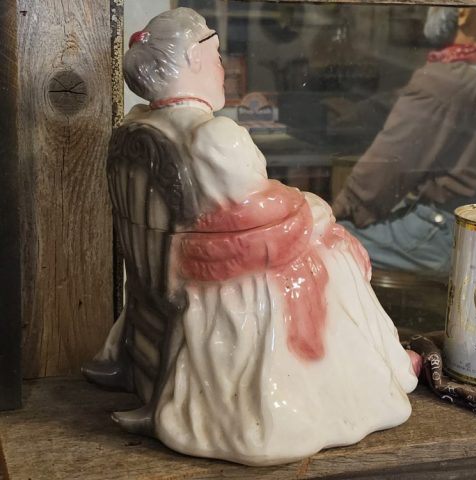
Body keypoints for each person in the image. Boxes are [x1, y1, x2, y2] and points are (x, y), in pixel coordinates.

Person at [84, 8, 418, 466]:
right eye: (217, 54)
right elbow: (262, 212)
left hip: (166, 272)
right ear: (193, 61)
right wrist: (313, 210)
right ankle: (370, 378)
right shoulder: (216, 136)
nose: (224, 66)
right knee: (334, 257)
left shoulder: (137, 127)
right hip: (221, 280)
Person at [332, 7, 476, 274]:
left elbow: (387, 164)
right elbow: (414, 102)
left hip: (440, 233)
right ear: (462, 13)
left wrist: (338, 211)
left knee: (327, 243)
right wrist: (360, 111)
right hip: (474, 227)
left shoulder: (451, 79)